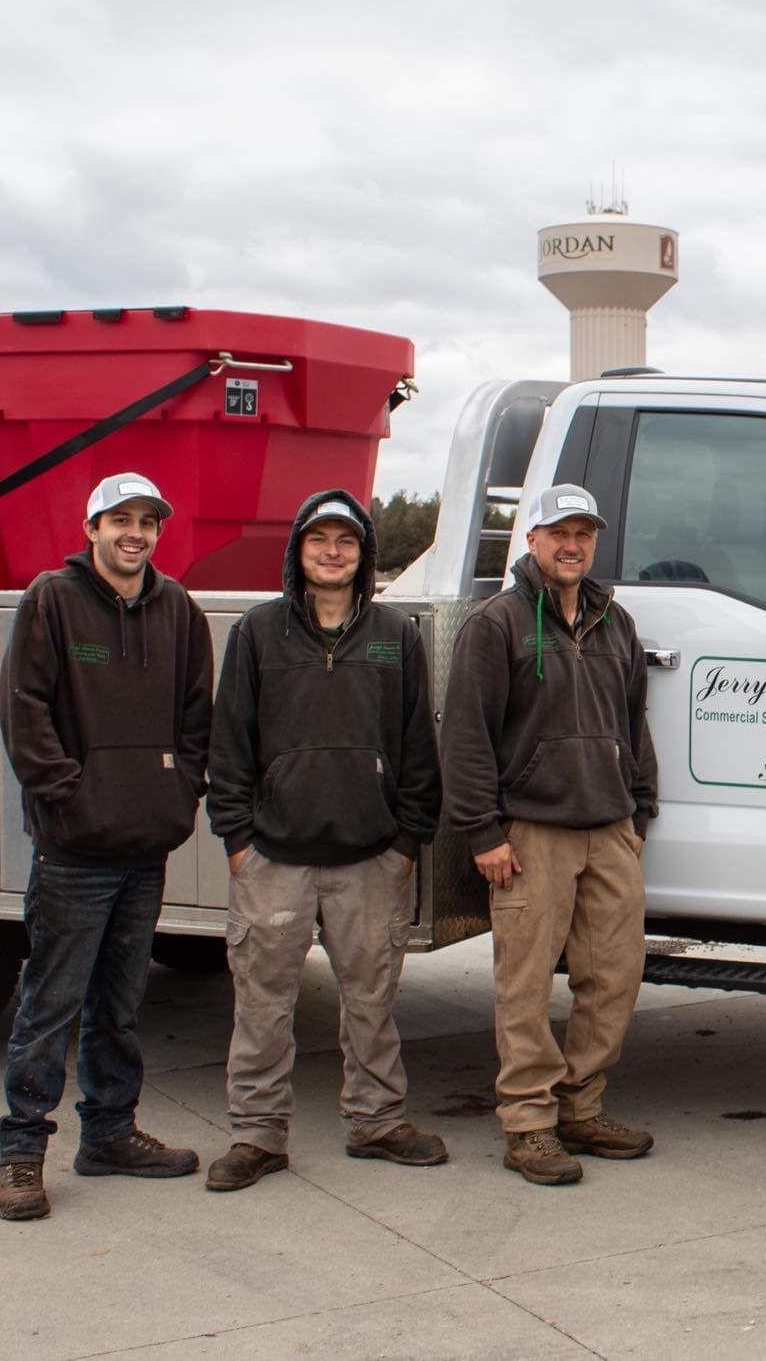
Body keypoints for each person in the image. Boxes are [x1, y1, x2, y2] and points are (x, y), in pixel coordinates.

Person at [203, 489, 446, 1191]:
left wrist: (406, 842)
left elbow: (415, 747)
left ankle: (376, 1122)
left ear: (363, 554)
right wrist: (239, 840)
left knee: (371, 1000)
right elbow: (230, 744)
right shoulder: (258, 633)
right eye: (319, 540)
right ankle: (257, 1136)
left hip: (371, 857)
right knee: (262, 1003)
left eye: (346, 541)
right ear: (299, 552)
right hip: (273, 856)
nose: (333, 552)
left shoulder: (394, 635)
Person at [0, 471, 213, 1220]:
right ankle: (23, 1153)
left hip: (143, 847)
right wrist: (68, 794)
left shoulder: (177, 608)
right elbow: (24, 709)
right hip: (74, 853)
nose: (135, 533)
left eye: (148, 521)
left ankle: (109, 1135)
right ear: (91, 528)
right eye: (120, 519)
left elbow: (195, 715)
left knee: (117, 1007)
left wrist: (177, 793)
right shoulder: (51, 600)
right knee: (48, 1008)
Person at [440, 484, 659, 1186]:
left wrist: (639, 812)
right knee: (526, 987)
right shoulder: (497, 623)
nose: (572, 546)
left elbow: (634, 724)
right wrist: (481, 831)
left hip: (610, 829)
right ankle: (528, 1124)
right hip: (530, 835)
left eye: (584, 533)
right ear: (530, 540)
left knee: (614, 978)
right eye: (558, 532)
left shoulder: (614, 622)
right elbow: (467, 736)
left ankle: (581, 1108)